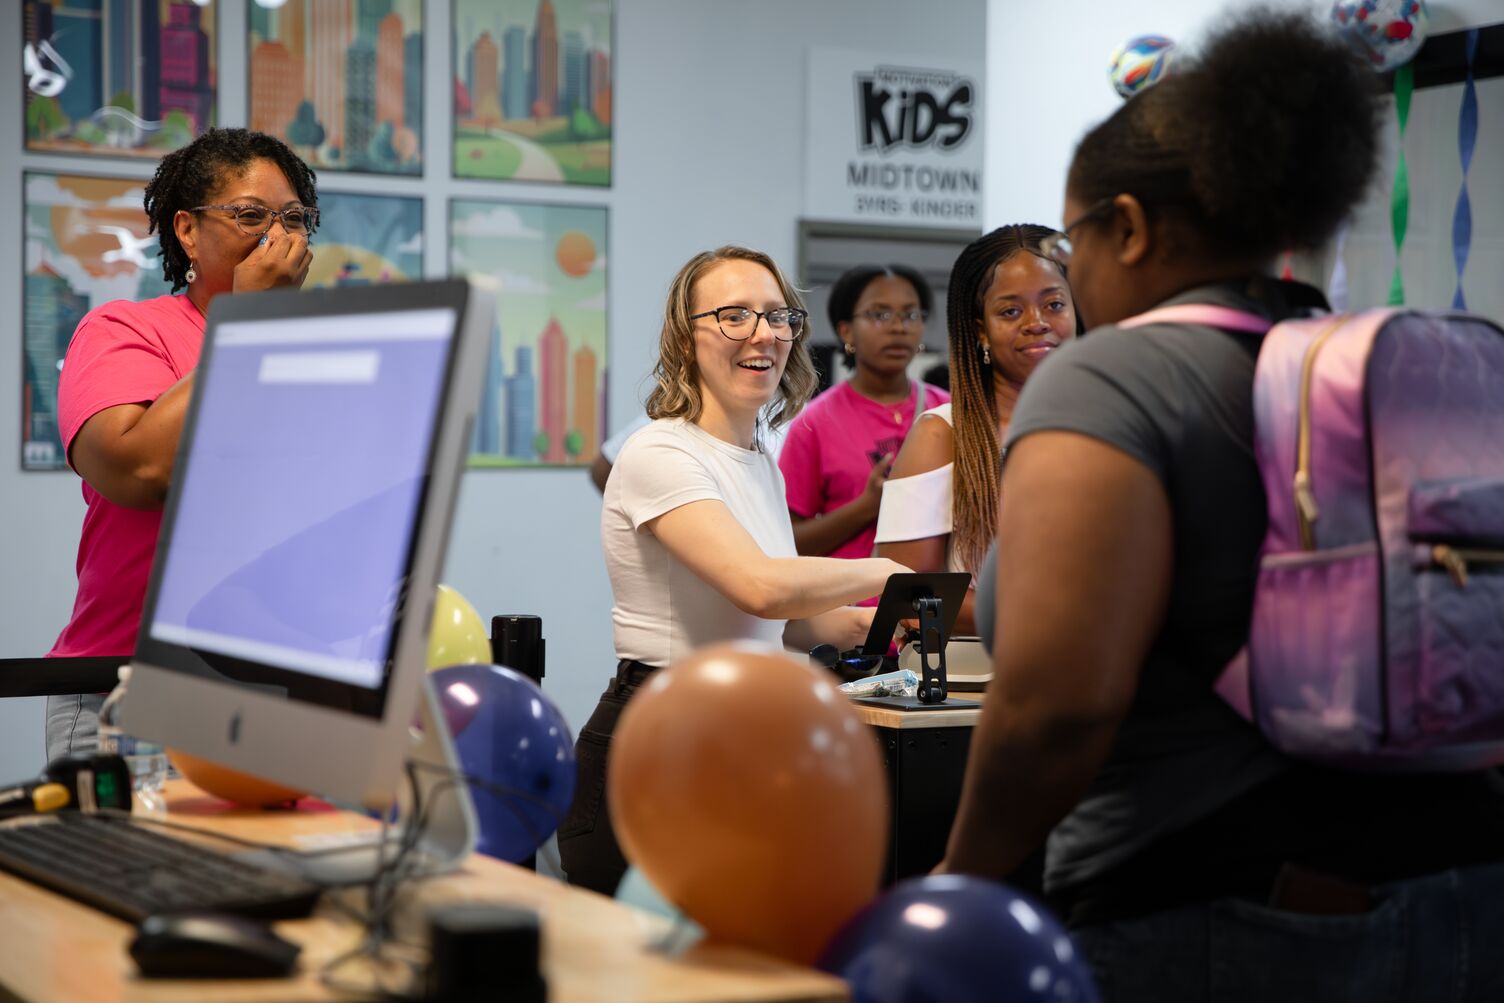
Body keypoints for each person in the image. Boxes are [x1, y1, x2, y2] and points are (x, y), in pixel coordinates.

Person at [942, 11, 1504, 1001]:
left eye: (1073, 249)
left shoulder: (1110, 376)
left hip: (1217, 910)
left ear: (1128, 225)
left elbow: (1054, 706)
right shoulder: (1344, 358)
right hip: (1458, 887)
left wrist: (960, 884)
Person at [560, 246, 910, 895]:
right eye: (733, 315)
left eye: (778, 316)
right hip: (657, 744)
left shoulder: (761, 464)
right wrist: (884, 573)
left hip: (739, 741)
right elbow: (760, 586)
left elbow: (797, 625)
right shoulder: (659, 451)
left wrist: (893, 619)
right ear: (685, 334)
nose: (763, 333)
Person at [45, 129, 317, 763]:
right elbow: (136, 469)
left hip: (274, 692)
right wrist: (248, 324)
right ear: (187, 231)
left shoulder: (310, 356)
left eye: (294, 220)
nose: (276, 237)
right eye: (251, 216)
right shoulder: (125, 329)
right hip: (128, 686)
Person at [874, 226, 1077, 633]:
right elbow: (909, 599)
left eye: (1054, 304)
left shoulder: (1108, 425)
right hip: (977, 688)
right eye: (1010, 311)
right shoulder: (941, 434)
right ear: (980, 329)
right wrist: (1061, 616)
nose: (1037, 323)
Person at [778, 264, 950, 567]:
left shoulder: (949, 412)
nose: (899, 327)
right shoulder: (814, 422)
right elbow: (786, 540)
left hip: (937, 606)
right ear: (846, 330)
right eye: (880, 314)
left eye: (911, 314)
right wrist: (866, 507)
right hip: (851, 607)